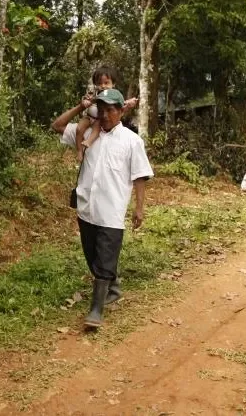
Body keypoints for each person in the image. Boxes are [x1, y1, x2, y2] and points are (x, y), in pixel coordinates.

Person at [51, 88, 154, 328]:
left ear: (120, 111)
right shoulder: (87, 133)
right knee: (93, 256)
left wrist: (139, 208)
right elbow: (57, 126)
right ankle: (112, 287)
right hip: (86, 209)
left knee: (105, 259)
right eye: (102, 109)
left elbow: (140, 176)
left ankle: (96, 310)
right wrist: (80, 108)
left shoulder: (132, 141)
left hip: (111, 213)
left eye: (111, 110)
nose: (106, 115)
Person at [74, 66, 138, 162]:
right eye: (99, 83)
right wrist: (85, 102)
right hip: (89, 117)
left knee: (96, 128)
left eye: (106, 83)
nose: (103, 86)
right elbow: (86, 100)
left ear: (113, 84)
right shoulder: (93, 93)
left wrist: (129, 103)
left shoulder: (114, 96)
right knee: (79, 129)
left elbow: (120, 105)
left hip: (99, 119)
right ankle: (79, 150)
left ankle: (89, 142)